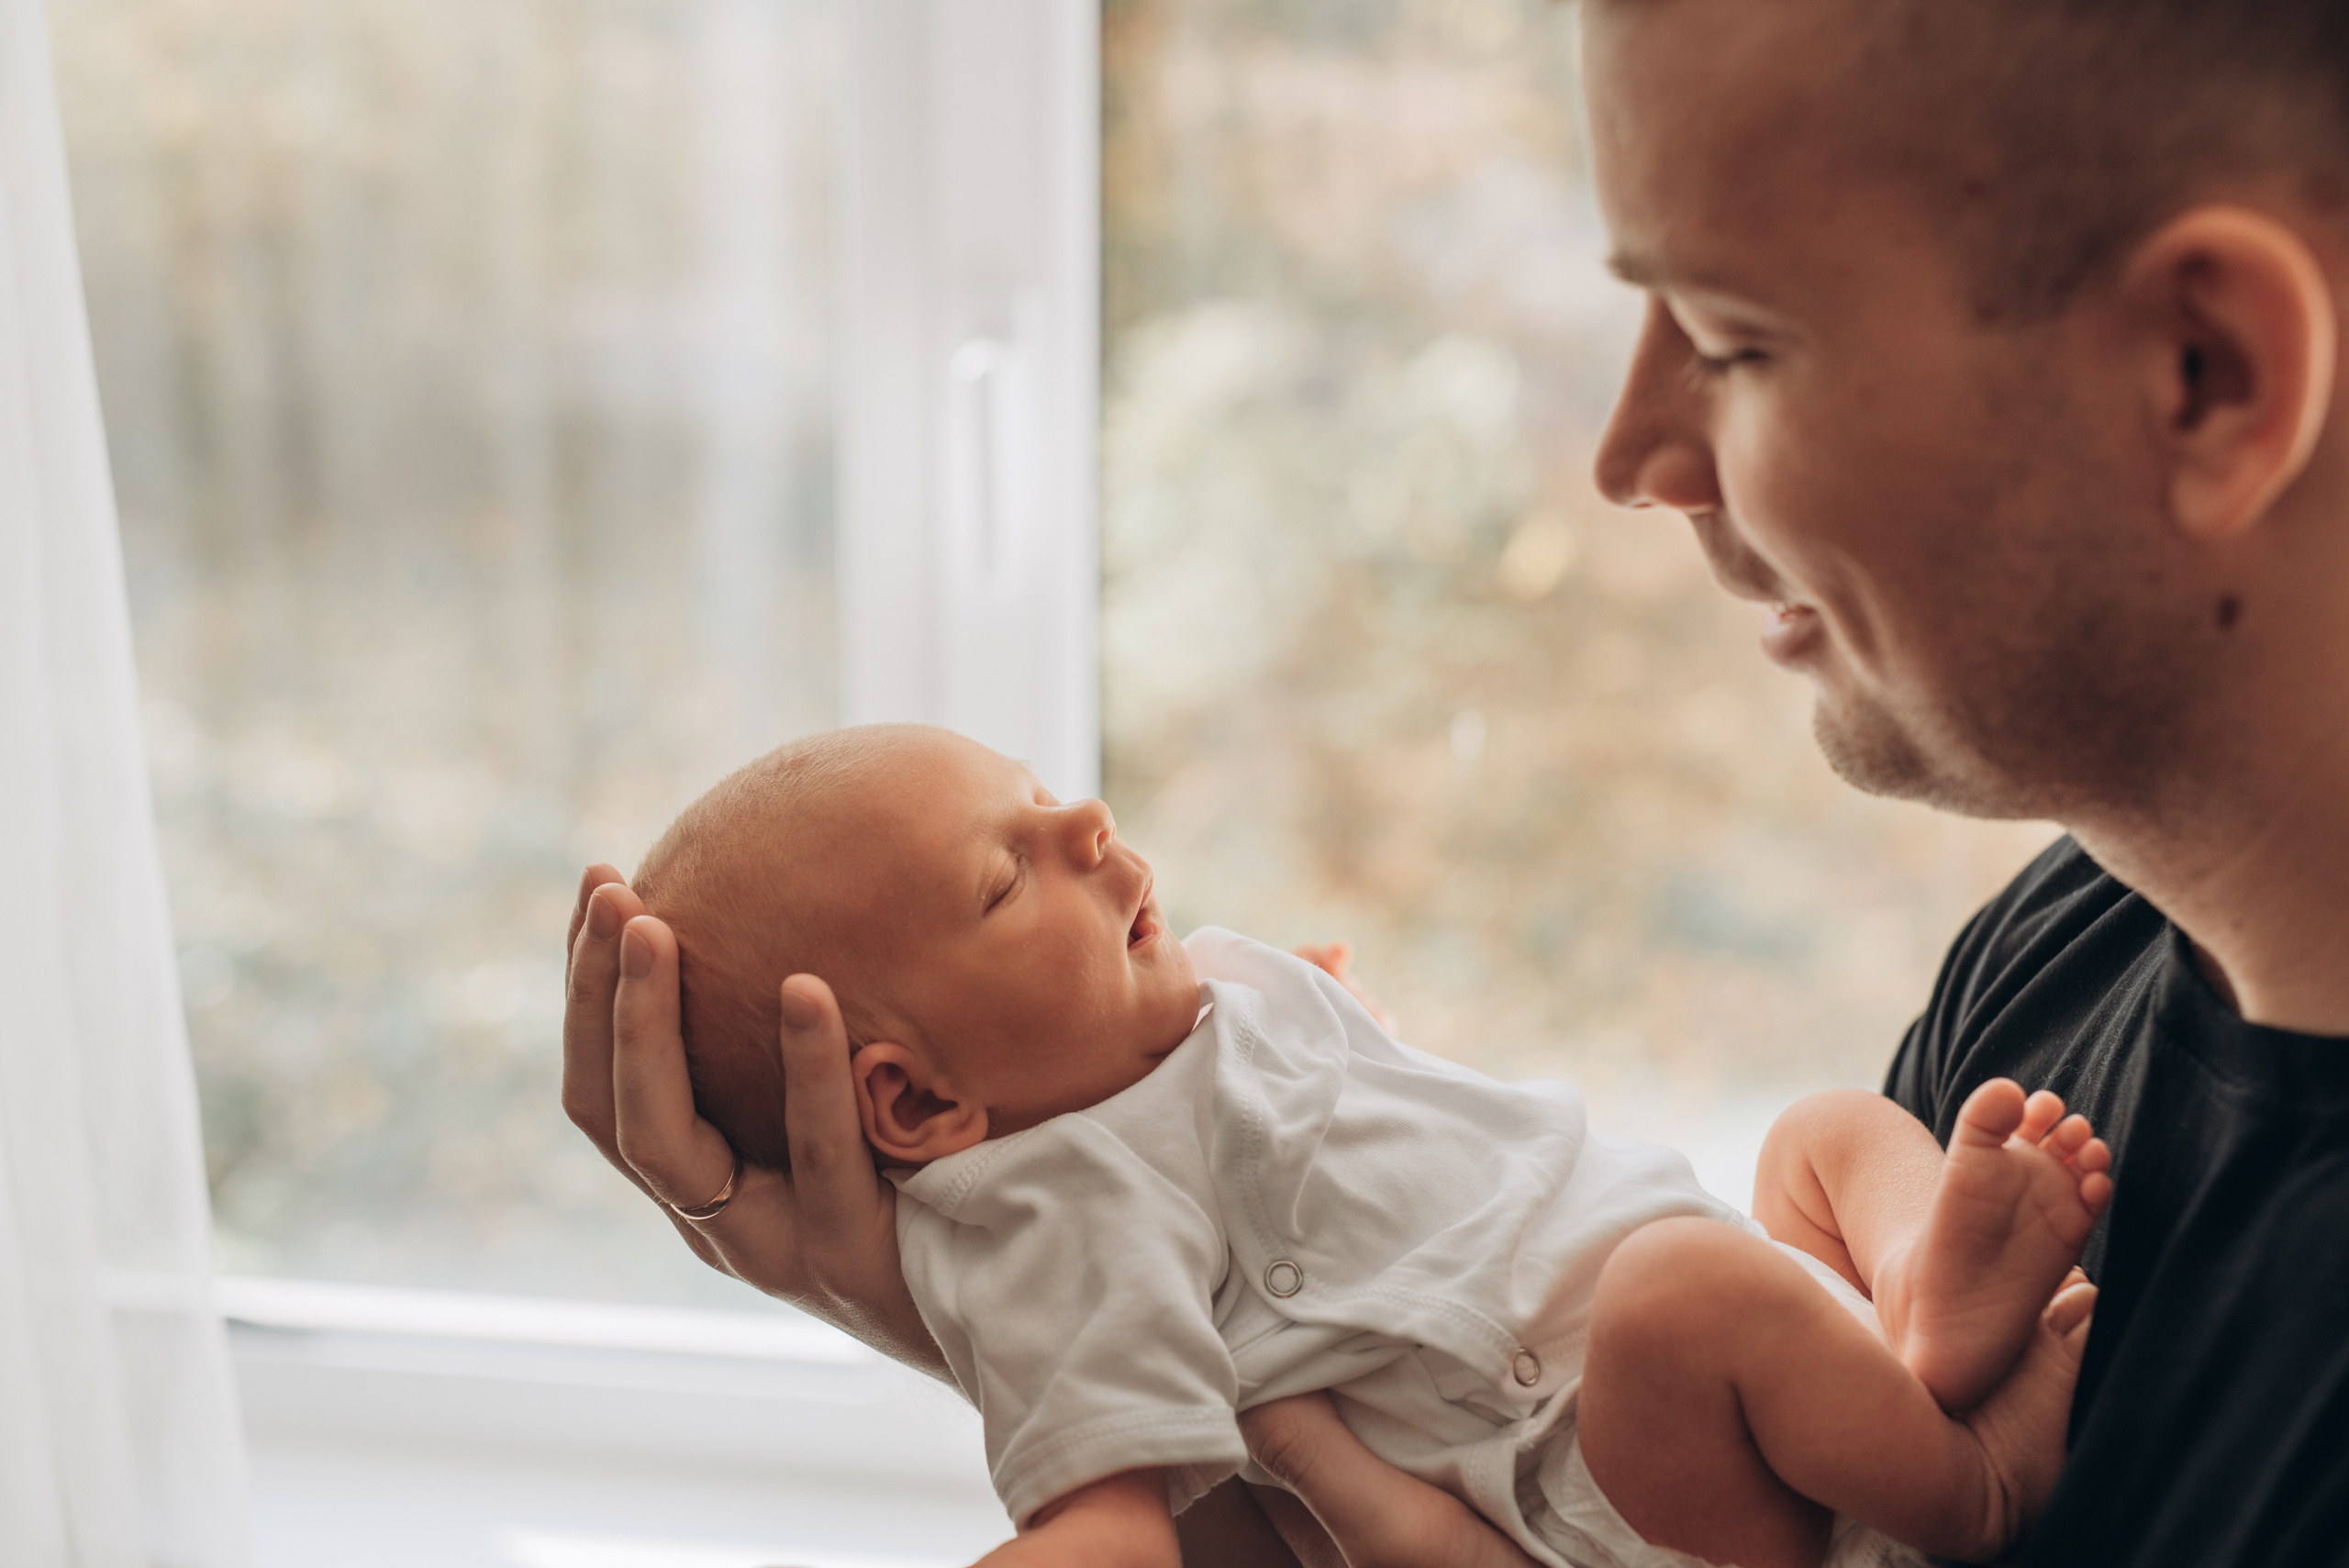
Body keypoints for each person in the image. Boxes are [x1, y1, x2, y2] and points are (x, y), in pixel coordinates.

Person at [562, 0, 2349, 1561]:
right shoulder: (2060, 962)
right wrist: (966, 1298)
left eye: (1730, 340)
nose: (1630, 457)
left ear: (2206, 375)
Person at [620, 722, 2105, 1568]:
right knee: (1682, 1286)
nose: (1082, 819)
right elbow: (1114, 1524)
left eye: (1043, 796)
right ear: (917, 1106)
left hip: (1737, 1338)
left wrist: (1336, 1020)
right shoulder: (1055, 1206)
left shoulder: (1185, 1005)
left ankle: (1917, 1294)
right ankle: (1963, 1486)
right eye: (1006, 874)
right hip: (1633, 1471)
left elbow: (1354, 1153)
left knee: (1822, 1132)